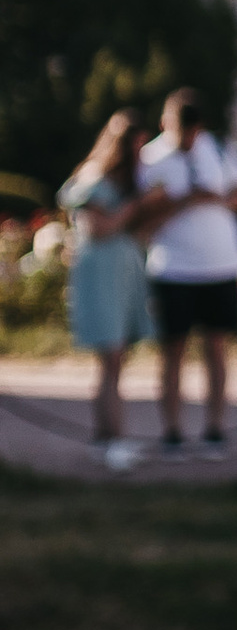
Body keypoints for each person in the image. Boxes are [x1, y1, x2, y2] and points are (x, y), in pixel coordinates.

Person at [136, 88, 237, 449]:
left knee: (217, 348)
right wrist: (184, 201)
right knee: (173, 351)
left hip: (220, 264)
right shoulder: (151, 159)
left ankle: (215, 428)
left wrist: (213, 197)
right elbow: (143, 217)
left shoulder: (218, 149)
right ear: (164, 124)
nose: (185, 139)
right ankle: (172, 431)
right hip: (174, 268)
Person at [60, 108, 157, 458]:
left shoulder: (128, 181)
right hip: (100, 275)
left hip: (123, 274)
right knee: (111, 355)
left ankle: (109, 436)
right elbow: (98, 229)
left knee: (117, 358)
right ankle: (111, 438)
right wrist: (136, 206)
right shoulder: (95, 177)